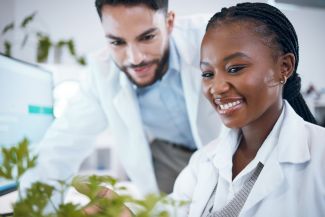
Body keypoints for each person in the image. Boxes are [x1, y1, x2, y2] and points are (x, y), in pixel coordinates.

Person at [19, 0, 222, 196]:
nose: (135, 58)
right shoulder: (101, 71)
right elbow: (61, 146)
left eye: (147, 37)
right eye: (117, 42)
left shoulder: (214, 36)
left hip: (226, 144)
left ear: (169, 23)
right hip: (168, 155)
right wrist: (31, 208)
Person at [169, 2, 325, 217]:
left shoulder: (320, 157)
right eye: (207, 74)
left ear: (284, 67)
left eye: (235, 69)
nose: (217, 87)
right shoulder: (203, 161)